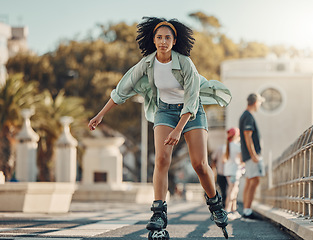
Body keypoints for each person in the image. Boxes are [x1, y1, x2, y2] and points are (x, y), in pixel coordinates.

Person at [88, 17, 231, 235]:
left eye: (167, 38)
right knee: (162, 159)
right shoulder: (146, 63)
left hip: (192, 112)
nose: (163, 41)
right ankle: (159, 211)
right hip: (164, 110)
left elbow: (192, 99)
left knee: (200, 164)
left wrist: (178, 129)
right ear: (153, 40)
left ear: (174, 41)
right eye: (159, 37)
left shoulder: (185, 63)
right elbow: (123, 88)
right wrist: (100, 115)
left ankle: (215, 203)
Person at [239, 93, 265, 219]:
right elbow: (247, 136)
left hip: (247, 155)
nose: (260, 105)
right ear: (255, 102)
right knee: (255, 180)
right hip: (251, 156)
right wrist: (253, 154)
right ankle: (247, 211)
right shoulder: (248, 116)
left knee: (250, 180)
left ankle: (246, 210)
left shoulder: (245, 115)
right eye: (260, 102)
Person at [223, 127, 243, 220]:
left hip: (228, 171)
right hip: (235, 171)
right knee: (232, 190)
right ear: (236, 135)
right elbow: (242, 160)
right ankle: (227, 210)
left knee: (232, 190)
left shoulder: (226, 146)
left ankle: (233, 210)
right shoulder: (236, 146)